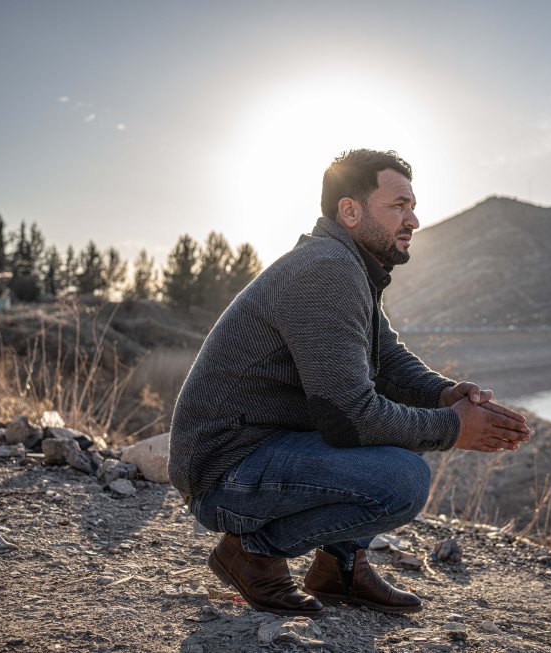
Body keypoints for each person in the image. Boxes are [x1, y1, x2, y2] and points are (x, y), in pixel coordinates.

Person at [168, 149, 531, 617]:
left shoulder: (347, 265)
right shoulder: (326, 269)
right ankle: (251, 552)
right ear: (350, 211)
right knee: (403, 478)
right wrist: (453, 427)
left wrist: (444, 394)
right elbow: (349, 418)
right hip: (225, 469)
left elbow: (389, 360)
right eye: (398, 206)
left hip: (260, 448)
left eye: (413, 206)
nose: (414, 220)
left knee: (410, 434)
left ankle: (340, 570)